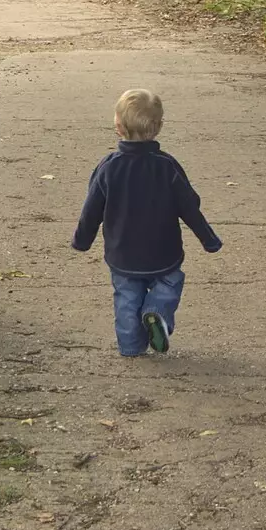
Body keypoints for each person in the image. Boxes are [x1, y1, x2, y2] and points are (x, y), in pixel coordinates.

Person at [72, 89, 223, 356]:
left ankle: (131, 347)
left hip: (123, 254)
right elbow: (189, 206)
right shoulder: (167, 167)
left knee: (127, 299)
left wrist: (82, 240)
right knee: (170, 281)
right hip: (163, 250)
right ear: (159, 127)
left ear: (118, 126)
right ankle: (157, 310)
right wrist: (208, 239)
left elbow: (91, 208)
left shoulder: (108, 167)